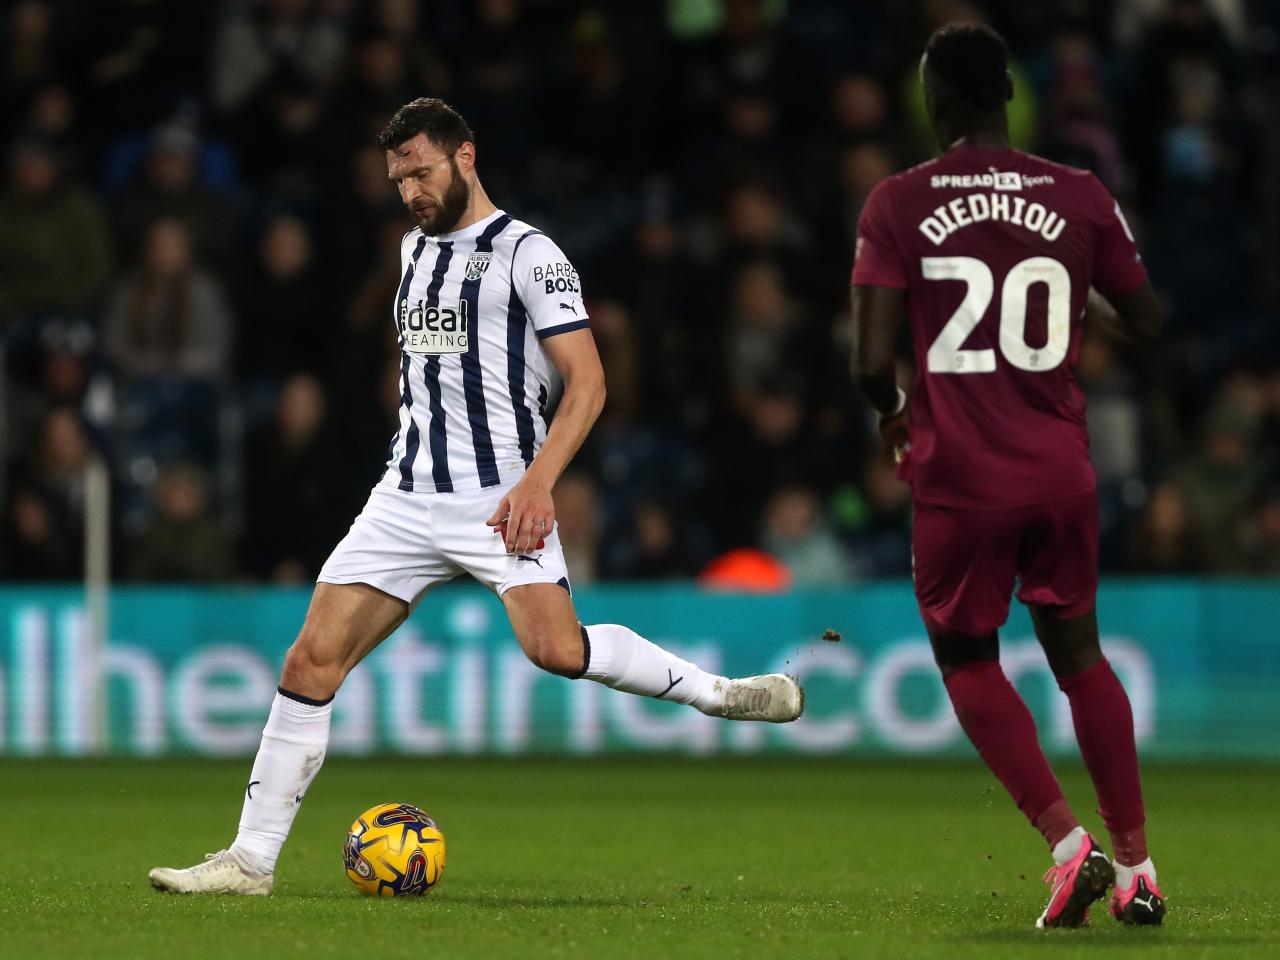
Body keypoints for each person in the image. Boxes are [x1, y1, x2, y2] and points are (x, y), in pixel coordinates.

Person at [149, 97, 803, 896]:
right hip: (406, 493)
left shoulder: (531, 254)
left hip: (501, 495)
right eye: (397, 178)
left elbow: (589, 383)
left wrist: (538, 481)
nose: (410, 191)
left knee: (556, 651)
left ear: (465, 156)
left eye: (420, 171)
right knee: (310, 657)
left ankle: (719, 695)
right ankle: (250, 862)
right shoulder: (410, 251)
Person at [849, 25, 1166, 929]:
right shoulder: (1081, 194)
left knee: (966, 658)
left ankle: (1070, 851)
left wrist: (892, 411)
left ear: (935, 102)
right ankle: (1140, 867)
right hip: (1060, 468)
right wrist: (1084, 296)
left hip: (962, 478)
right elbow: (1146, 320)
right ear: (1009, 97)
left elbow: (872, 359)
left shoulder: (898, 202)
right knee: (1081, 657)